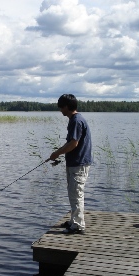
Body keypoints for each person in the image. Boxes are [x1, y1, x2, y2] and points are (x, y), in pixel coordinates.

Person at [49, 94, 92, 235]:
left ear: (67, 106)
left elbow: (74, 143)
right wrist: (60, 152)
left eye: (61, 107)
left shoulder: (76, 121)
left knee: (76, 194)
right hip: (75, 163)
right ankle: (74, 220)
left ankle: (78, 226)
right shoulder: (75, 119)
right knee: (73, 194)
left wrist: (57, 153)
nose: (60, 110)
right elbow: (70, 143)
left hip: (78, 164)